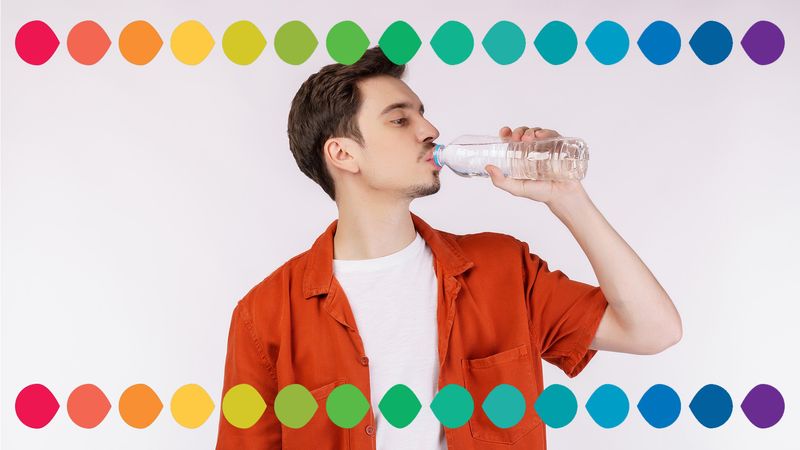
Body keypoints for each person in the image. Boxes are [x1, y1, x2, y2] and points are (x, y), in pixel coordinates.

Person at [216, 46, 682, 450]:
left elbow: (654, 330)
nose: (429, 129)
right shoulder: (265, 315)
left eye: (422, 113)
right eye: (400, 119)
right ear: (342, 154)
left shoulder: (503, 269)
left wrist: (567, 198)